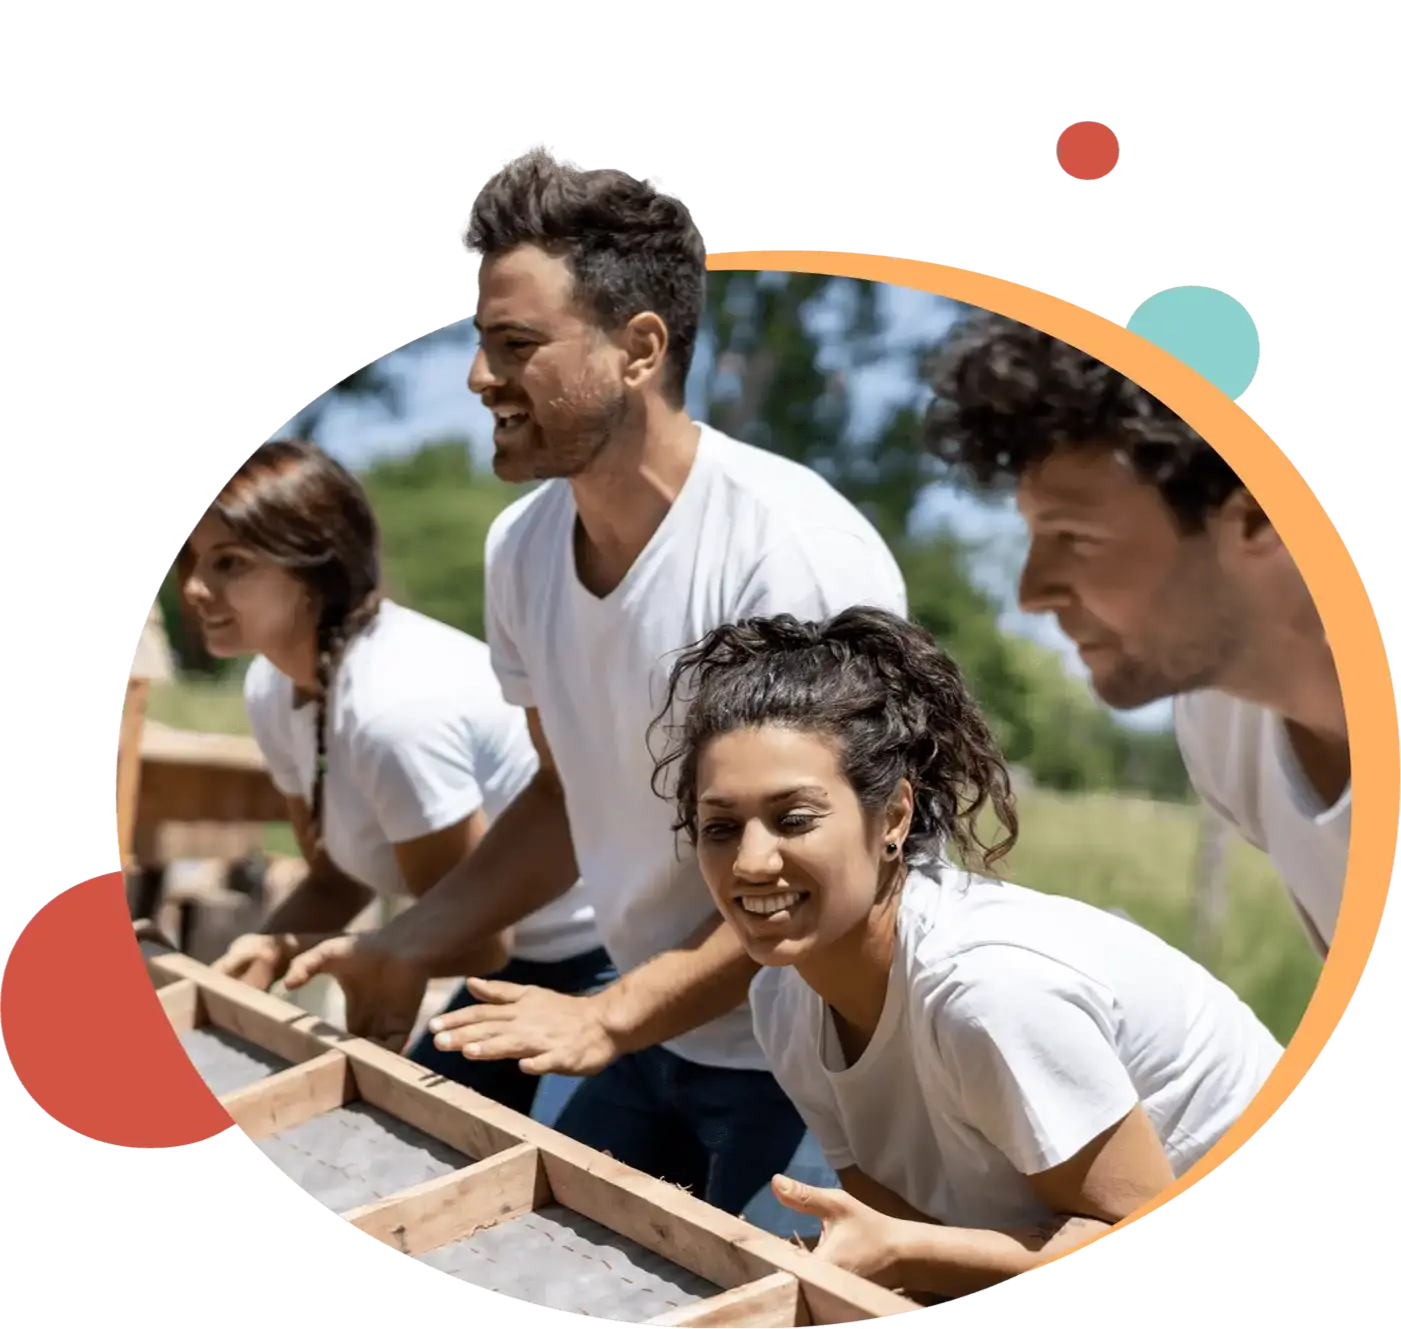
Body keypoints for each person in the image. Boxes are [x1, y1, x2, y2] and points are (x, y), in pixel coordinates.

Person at [281, 144, 911, 1225]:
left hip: (822, 1052)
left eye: (516, 345)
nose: (480, 378)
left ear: (640, 349)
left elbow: (828, 870)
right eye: (483, 343)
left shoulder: (787, 558)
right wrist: (403, 944)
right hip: (657, 1033)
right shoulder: (521, 551)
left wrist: (612, 1016)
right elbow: (566, 795)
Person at [648, 605, 1285, 1302]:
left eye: (793, 818)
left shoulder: (985, 989)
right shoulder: (783, 998)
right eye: (720, 825)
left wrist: (904, 1247)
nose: (750, 860)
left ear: (891, 816)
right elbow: (893, 1233)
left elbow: (1125, 1221)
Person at [177, 438, 614, 1116]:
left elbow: (475, 936)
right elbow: (333, 877)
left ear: (313, 569)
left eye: (230, 564)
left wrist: (311, 950)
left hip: (590, 966)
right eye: (191, 561)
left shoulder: (394, 710)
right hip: (494, 964)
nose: (196, 589)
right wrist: (251, 960)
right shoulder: (274, 686)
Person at [920, 309, 1349, 959]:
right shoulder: (1219, 724)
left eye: (1075, 538)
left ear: (1261, 516)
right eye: (1034, 537)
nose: (1030, 593)